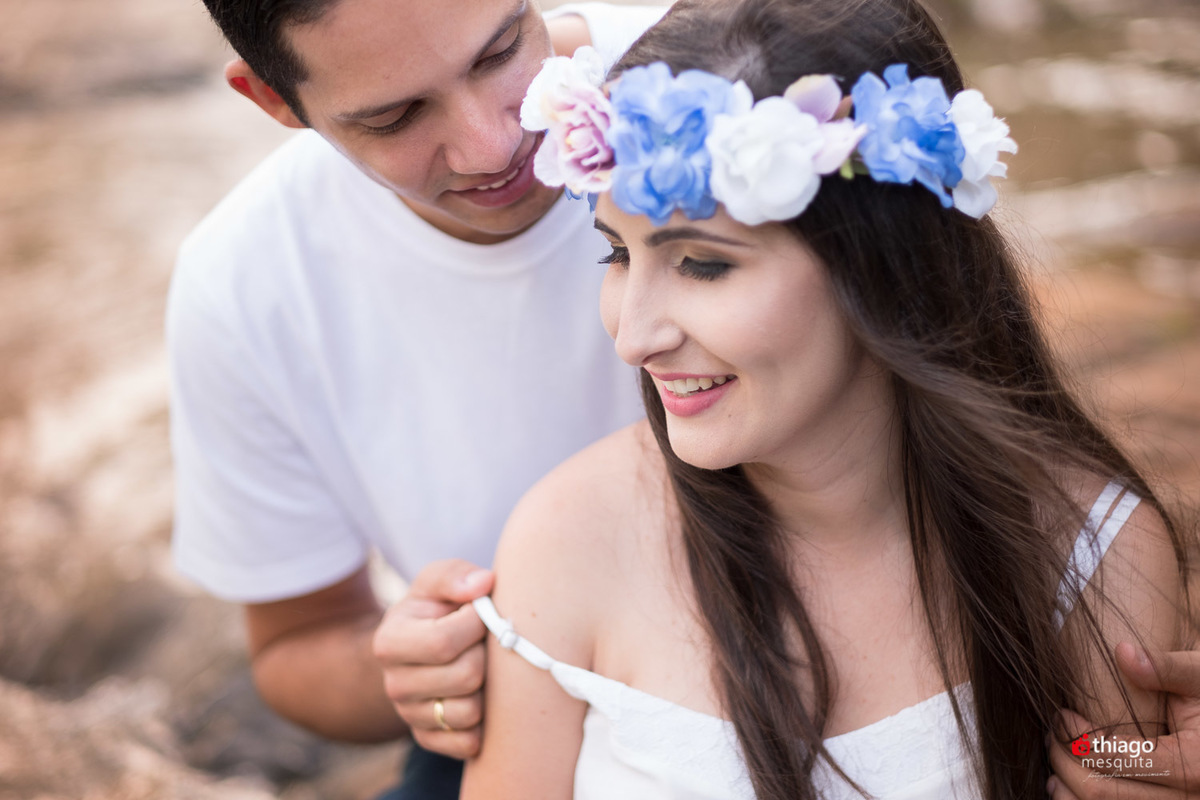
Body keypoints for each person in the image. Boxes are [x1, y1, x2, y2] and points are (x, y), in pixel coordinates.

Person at [458, 0, 1197, 797]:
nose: (632, 338)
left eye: (703, 264)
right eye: (615, 253)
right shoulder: (568, 542)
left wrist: (1143, 767)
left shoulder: (1094, 557)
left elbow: (1115, 762)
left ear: (884, 266)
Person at [167, 0, 666, 796]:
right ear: (272, 100)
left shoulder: (738, 88)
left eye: (500, 52)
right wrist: (407, 667)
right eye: (396, 116)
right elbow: (296, 642)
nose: (492, 144)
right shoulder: (242, 285)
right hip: (518, 699)